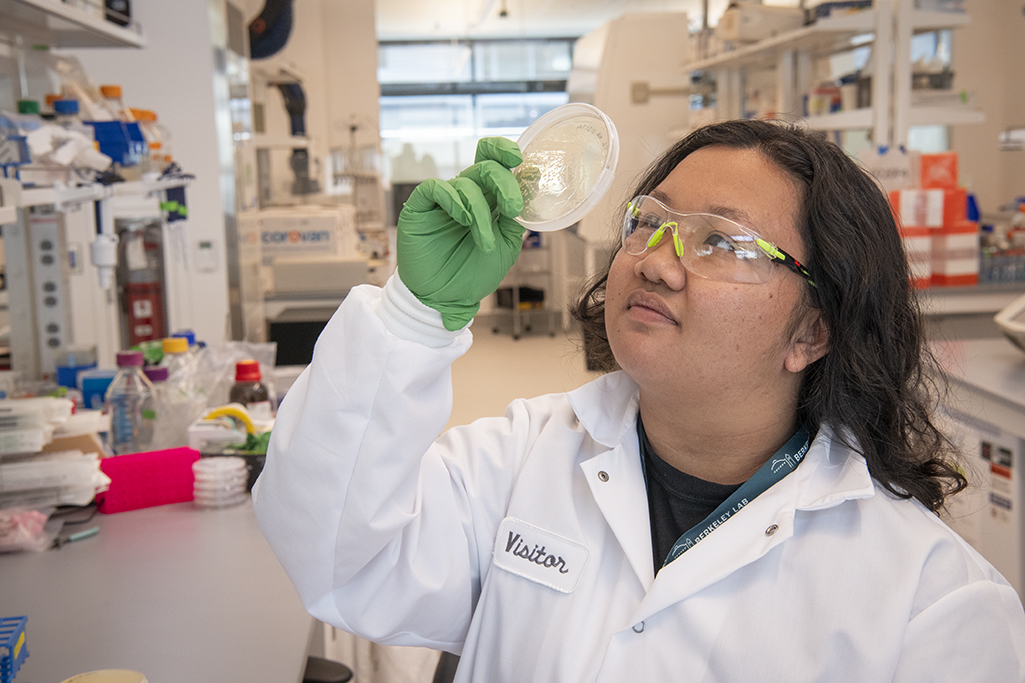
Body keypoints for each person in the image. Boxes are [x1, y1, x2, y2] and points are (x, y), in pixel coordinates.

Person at [253, 120, 1025, 682]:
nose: (656, 261)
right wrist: (414, 312)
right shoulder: (525, 455)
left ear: (813, 331)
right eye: (649, 222)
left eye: (719, 241)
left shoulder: (931, 601)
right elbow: (334, 556)